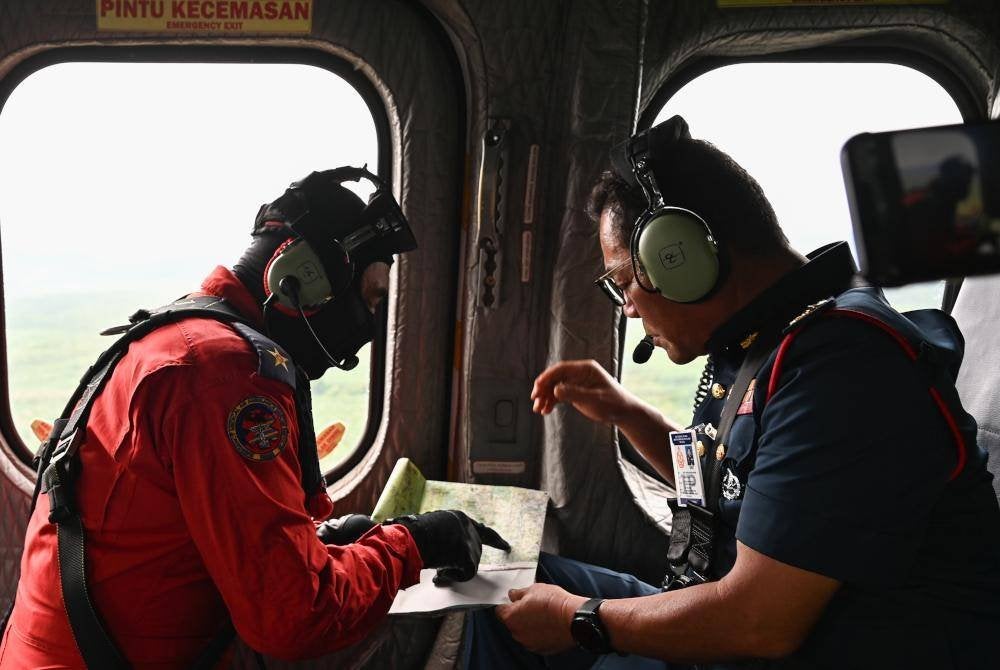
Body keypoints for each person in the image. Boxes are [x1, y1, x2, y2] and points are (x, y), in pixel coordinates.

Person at [465, 117, 1000, 669]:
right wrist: (625, 412)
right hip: (738, 619)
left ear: (680, 258)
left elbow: (758, 622)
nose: (625, 306)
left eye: (623, 281)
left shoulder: (843, 368)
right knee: (498, 583)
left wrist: (581, 620)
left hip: (786, 640)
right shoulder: (766, 339)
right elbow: (742, 486)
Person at [0, 168, 507, 668]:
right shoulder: (223, 375)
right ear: (302, 278)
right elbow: (296, 617)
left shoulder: (185, 341)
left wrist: (327, 540)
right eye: (370, 299)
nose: (369, 327)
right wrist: (413, 543)